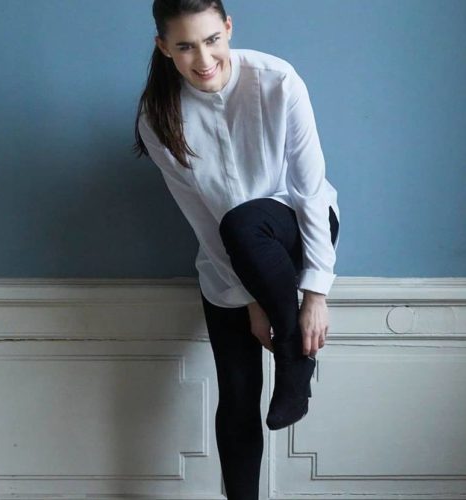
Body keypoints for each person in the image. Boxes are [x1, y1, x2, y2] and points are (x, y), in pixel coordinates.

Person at [133, 1, 340, 498]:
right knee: (238, 392)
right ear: (164, 48)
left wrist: (315, 294)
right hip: (226, 264)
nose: (203, 59)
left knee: (245, 221)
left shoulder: (277, 80)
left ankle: (294, 358)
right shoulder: (158, 119)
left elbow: (309, 190)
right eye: (185, 46)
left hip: (296, 228)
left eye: (212, 40)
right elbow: (201, 218)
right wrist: (251, 298)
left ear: (228, 28)